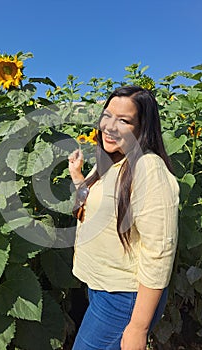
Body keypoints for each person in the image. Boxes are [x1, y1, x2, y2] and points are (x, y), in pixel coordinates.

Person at [68, 85, 179, 350]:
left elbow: (159, 251)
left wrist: (138, 328)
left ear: (143, 128)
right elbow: (96, 204)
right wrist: (78, 178)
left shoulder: (148, 168)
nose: (110, 126)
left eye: (124, 120)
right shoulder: (108, 162)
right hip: (100, 285)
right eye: (107, 115)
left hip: (124, 296)